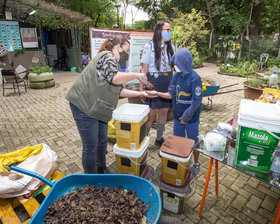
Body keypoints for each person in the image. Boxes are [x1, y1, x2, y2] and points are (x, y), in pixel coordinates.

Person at [66, 36, 155, 174]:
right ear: (118, 47)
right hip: (83, 106)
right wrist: (137, 75)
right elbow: (114, 78)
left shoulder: (114, 65)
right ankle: (90, 181)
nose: (127, 53)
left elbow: (120, 91)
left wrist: (140, 94)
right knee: (91, 146)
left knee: (102, 140)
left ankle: (101, 169)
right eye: (127, 49)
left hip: (97, 108)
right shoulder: (107, 56)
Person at [148, 48, 202, 179]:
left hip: (191, 118)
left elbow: (196, 101)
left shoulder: (195, 79)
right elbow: (170, 94)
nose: (174, 67)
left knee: (193, 141)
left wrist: (186, 117)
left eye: (176, 64)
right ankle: (179, 161)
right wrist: (157, 93)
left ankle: (196, 163)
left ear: (184, 62)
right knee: (178, 142)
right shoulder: (176, 77)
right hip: (178, 118)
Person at [140, 20, 174, 147]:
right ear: (159, 31)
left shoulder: (172, 47)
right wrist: (141, 89)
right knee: (151, 113)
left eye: (170, 30)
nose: (169, 32)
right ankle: (144, 139)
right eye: (167, 30)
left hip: (167, 81)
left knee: (164, 111)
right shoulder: (149, 46)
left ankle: (159, 138)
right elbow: (143, 69)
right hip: (153, 81)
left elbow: (172, 67)